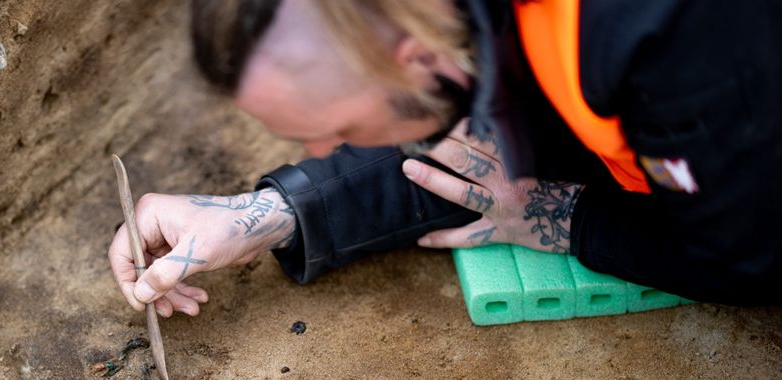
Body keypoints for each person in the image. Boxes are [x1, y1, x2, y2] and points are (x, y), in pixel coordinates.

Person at [108, 0, 782, 318]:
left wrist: (570, 218)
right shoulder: (454, 30)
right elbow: (466, 127)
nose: (319, 148)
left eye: (333, 127)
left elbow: (748, 256)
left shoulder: (683, 56)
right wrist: (272, 212)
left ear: (418, 59)